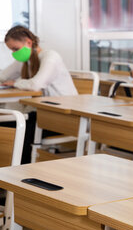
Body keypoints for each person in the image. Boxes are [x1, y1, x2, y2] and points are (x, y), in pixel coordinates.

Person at [0, 26, 78, 164]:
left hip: (63, 117)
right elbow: (3, 76)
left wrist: (16, 82)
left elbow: (36, 85)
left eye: (15, 49)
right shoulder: (25, 60)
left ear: (28, 43)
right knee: (9, 125)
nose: (14, 53)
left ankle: (20, 175)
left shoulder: (51, 57)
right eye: (11, 50)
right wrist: (13, 81)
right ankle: (8, 173)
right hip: (43, 113)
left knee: (20, 129)